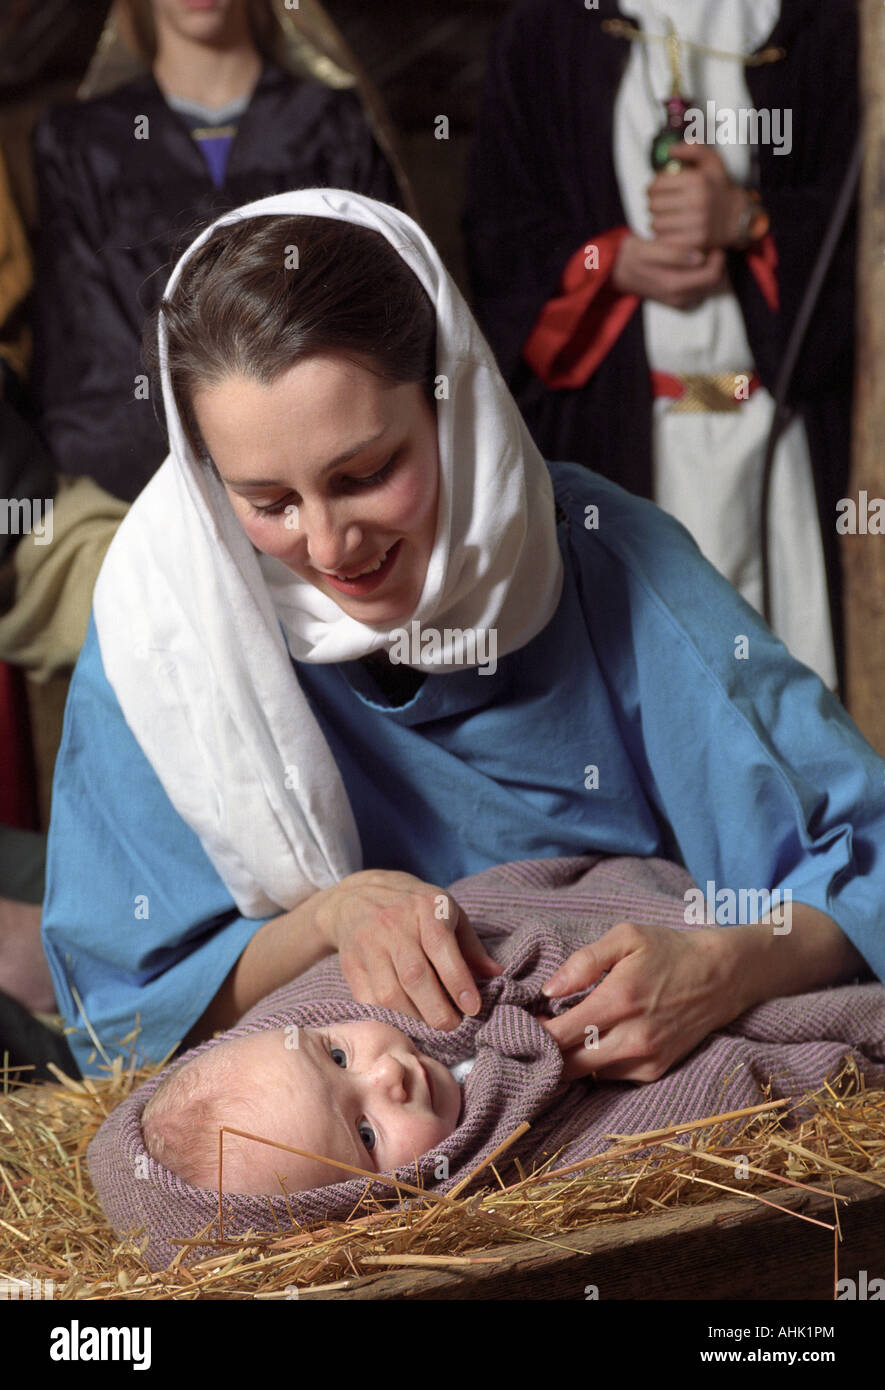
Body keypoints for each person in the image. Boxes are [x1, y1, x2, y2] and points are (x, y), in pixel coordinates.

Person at [42, 188, 885, 1093]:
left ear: (455, 403)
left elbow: (863, 862)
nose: (329, 547)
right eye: (269, 503)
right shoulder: (164, 632)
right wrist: (329, 921)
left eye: (366, 474)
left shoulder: (608, 556)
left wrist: (725, 968)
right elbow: (124, 1020)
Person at [87, 853, 885, 1271]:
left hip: (686, 914)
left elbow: (524, 903)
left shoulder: (354, 998)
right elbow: (717, 1095)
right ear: (357, 1218)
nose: (385, 1075)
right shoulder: (526, 1181)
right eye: (364, 1134)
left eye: (337, 1055)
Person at [462, 0, 857, 691]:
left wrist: (748, 220)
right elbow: (497, 231)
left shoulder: (814, 20)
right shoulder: (551, 27)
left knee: (801, 697)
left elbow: (864, 226)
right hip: (627, 448)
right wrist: (605, 263)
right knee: (655, 700)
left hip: (785, 444)